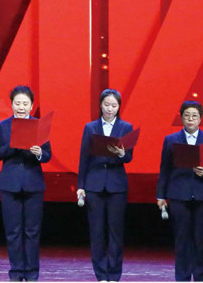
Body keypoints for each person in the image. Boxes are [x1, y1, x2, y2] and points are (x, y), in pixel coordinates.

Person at [156, 101, 203, 282]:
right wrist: (161, 195)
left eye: (194, 116)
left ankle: (200, 276)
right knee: (182, 239)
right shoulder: (171, 140)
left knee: (200, 239)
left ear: (200, 118)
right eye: (187, 115)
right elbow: (165, 169)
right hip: (178, 194)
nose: (190, 119)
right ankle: (182, 277)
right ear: (181, 117)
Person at [0, 85, 51, 282]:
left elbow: (47, 155)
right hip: (10, 185)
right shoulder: (3, 126)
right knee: (13, 231)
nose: (21, 107)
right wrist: (13, 145)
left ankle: (32, 273)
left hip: (33, 184)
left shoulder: (39, 125)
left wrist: (39, 153)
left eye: (25, 103)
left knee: (32, 231)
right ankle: (16, 273)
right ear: (12, 105)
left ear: (31, 105)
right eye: (18, 103)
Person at [76, 89, 134, 282]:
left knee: (115, 231)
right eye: (107, 104)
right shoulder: (90, 127)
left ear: (119, 107)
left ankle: (114, 275)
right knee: (97, 231)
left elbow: (129, 157)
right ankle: (101, 275)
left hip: (117, 185)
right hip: (94, 183)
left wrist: (121, 154)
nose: (110, 109)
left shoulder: (125, 127)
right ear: (101, 105)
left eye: (114, 105)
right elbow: (84, 157)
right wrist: (81, 185)